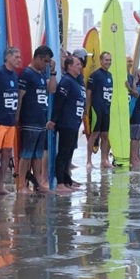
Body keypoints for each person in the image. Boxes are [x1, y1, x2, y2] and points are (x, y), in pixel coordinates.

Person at [17, 46, 56, 193]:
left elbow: (52, 89)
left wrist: (52, 72)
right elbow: (20, 96)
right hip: (29, 120)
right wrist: (18, 116)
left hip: (41, 120)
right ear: (38, 58)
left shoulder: (40, 75)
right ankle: (21, 183)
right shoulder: (27, 74)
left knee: (38, 155)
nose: (46, 64)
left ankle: (38, 182)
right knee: (26, 153)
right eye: (45, 61)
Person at [50, 53, 86, 193]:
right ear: (69, 66)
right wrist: (54, 120)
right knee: (64, 153)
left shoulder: (76, 81)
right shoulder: (66, 81)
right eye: (77, 64)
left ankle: (67, 181)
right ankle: (60, 183)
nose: (80, 67)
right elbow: (59, 102)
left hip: (74, 123)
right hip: (66, 123)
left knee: (69, 153)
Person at [0, 47, 21, 195]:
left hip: (10, 121)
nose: (19, 59)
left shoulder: (14, 75)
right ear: (8, 57)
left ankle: (0, 185)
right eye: (16, 56)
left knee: (7, 153)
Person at [86, 52, 114, 168]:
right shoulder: (95, 75)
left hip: (106, 109)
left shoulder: (110, 75)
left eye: (109, 60)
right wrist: (86, 109)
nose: (108, 62)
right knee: (95, 134)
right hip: (96, 109)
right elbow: (89, 93)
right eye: (106, 60)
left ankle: (104, 160)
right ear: (101, 61)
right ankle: (88, 161)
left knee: (105, 135)